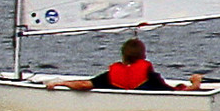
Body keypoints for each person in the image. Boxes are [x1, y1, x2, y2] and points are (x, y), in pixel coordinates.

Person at [46, 38, 203, 92]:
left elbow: (84, 84)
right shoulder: (151, 77)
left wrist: (62, 83)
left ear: (123, 55)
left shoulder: (110, 75)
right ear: (143, 56)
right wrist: (196, 81)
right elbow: (175, 92)